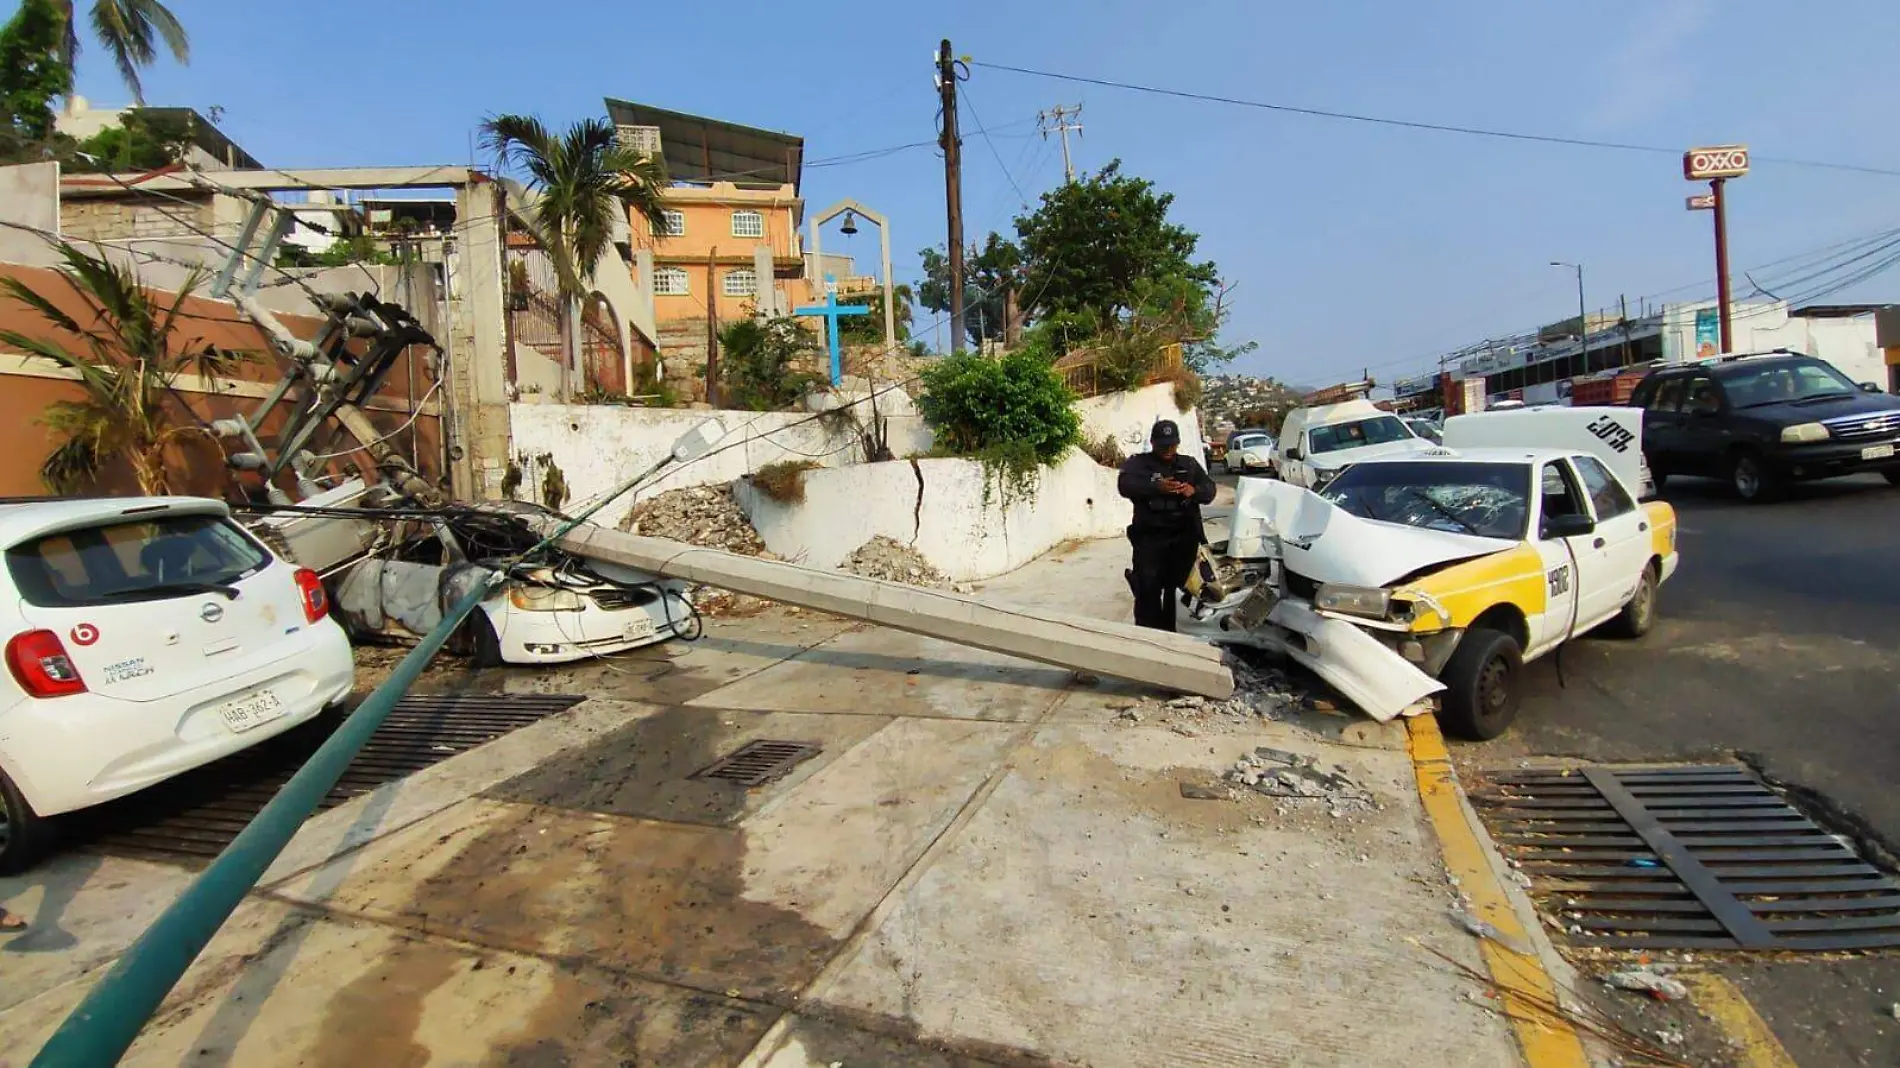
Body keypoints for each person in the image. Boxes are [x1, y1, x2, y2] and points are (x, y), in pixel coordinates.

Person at [1118, 420, 1216, 631]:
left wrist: (1193, 491)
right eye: (1163, 445)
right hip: (1150, 541)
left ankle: (1176, 635)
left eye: (1171, 445)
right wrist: (1156, 486)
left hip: (1183, 541)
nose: (1167, 450)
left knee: (1181, 594)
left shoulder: (1188, 465)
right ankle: (1150, 639)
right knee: (1148, 592)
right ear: (1152, 442)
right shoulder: (1139, 464)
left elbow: (1210, 490)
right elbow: (1124, 485)